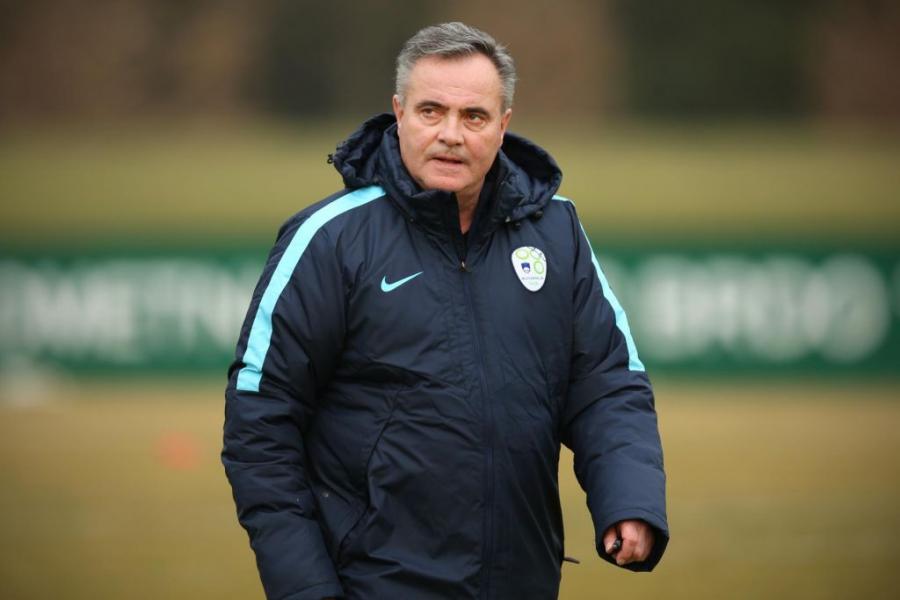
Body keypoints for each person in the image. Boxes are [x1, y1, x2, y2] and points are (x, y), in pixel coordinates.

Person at [222, 22, 668, 600]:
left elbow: (607, 382)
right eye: (431, 111)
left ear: (504, 125)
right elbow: (260, 420)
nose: (450, 135)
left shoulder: (557, 232)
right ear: (399, 112)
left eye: (474, 116)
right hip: (373, 583)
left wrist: (629, 499)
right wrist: (305, 588)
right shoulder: (329, 239)